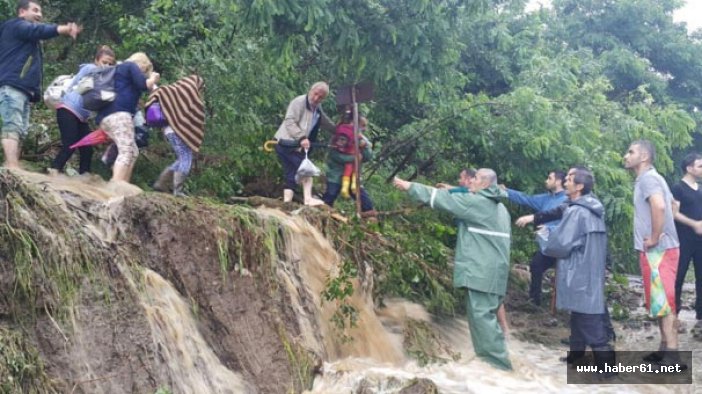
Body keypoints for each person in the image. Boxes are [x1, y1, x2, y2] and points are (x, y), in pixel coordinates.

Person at [393, 169, 512, 370]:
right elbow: (456, 195)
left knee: (482, 321)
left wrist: (408, 186)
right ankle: (497, 369)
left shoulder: (478, 204)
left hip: (481, 273)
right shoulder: (500, 208)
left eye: (475, 178)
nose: (471, 181)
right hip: (495, 274)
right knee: (488, 322)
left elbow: (442, 199)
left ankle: (499, 369)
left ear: (484, 183)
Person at [539, 167, 615, 374]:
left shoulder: (576, 212)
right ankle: (576, 357)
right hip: (590, 273)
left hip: (578, 274)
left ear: (579, 186)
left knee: (590, 324)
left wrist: (544, 235)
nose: (565, 183)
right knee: (580, 316)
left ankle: (608, 372)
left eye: (570, 180)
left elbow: (559, 246)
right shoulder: (594, 210)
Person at [0, 0, 81, 169]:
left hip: (23, 90)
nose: (40, 15)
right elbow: (38, 30)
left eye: (40, 11)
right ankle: (12, 166)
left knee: (21, 130)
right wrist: (64, 29)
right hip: (12, 86)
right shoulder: (16, 26)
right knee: (12, 125)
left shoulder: (27, 39)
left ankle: (13, 166)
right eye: (35, 10)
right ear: (22, 12)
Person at [624, 139, 681, 366]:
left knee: (664, 302)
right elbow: (673, 205)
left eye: (631, 152)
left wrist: (656, 236)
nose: (626, 156)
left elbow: (659, 206)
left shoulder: (648, 179)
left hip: (658, 250)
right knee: (659, 302)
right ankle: (664, 349)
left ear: (644, 156)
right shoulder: (652, 178)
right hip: (659, 249)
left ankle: (673, 355)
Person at [49, 46, 115, 175]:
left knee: (87, 149)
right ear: (96, 61)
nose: (106, 66)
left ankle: (85, 176)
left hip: (81, 117)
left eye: (110, 64)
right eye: (104, 62)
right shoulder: (90, 69)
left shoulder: (104, 78)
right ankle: (54, 170)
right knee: (70, 144)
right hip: (68, 110)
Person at [504, 170, 567, 306]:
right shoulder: (547, 198)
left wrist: (550, 229)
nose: (546, 180)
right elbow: (526, 198)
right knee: (536, 264)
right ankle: (534, 301)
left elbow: (569, 226)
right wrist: (506, 191)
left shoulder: (567, 201)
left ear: (558, 181)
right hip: (549, 247)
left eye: (549, 178)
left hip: (565, 246)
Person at [95, 52, 159, 183]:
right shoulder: (130, 65)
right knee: (126, 151)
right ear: (142, 64)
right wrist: (153, 78)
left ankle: (124, 184)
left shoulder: (119, 71)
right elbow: (144, 84)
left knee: (132, 151)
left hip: (106, 117)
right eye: (145, 69)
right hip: (119, 114)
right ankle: (116, 187)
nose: (144, 72)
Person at [273, 82, 335, 205]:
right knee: (306, 169)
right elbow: (289, 121)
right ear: (310, 90)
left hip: (296, 146)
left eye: (320, 97)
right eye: (315, 94)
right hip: (286, 143)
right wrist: (301, 138)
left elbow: (325, 122)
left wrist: (339, 130)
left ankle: (286, 203)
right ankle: (307, 199)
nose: (316, 98)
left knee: (291, 173)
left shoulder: (317, 108)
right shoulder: (299, 102)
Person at [147, 74, 205, 196]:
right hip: (179, 131)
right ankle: (177, 190)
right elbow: (194, 116)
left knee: (182, 157)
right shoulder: (191, 96)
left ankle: (161, 183)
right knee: (186, 158)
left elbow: (158, 91)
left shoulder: (171, 91)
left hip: (169, 130)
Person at [322, 112, 375, 213]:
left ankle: (369, 220)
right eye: (362, 125)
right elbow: (334, 155)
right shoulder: (339, 135)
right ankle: (322, 215)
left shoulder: (362, 139)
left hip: (353, 177)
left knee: (366, 203)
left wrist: (364, 147)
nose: (364, 129)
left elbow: (368, 157)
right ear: (353, 123)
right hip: (335, 174)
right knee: (330, 196)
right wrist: (353, 158)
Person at [672, 153, 702, 321]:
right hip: (683, 239)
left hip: (700, 241)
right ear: (689, 168)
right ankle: (674, 313)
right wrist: (694, 224)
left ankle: (700, 315)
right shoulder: (678, 188)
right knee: (679, 276)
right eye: (700, 166)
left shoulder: (701, 188)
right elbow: (674, 213)